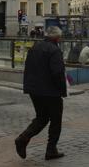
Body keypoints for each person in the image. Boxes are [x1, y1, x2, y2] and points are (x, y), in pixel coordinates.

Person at [15, 26, 67, 160]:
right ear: (56, 38)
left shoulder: (35, 47)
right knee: (56, 120)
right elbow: (57, 73)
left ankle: (23, 138)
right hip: (50, 91)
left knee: (42, 118)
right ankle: (51, 149)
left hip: (34, 89)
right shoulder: (54, 50)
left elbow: (28, 67)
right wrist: (62, 90)